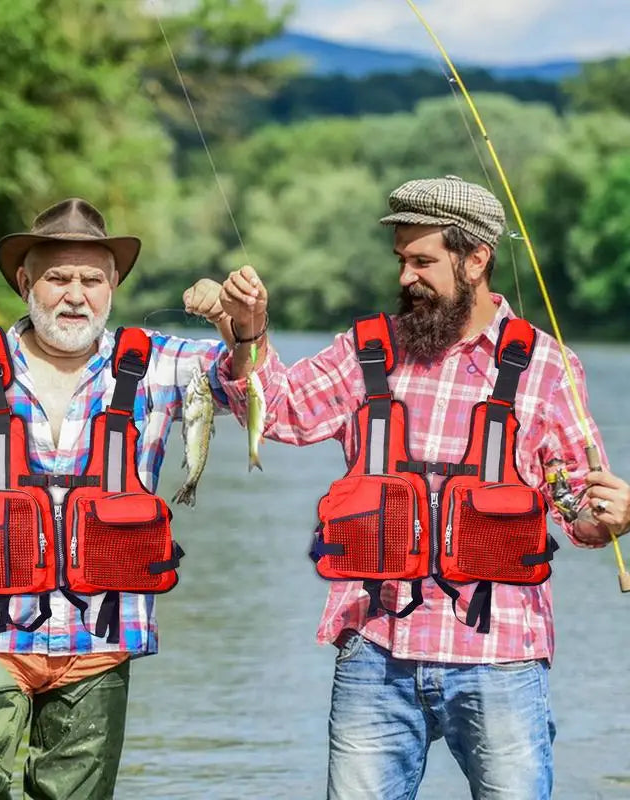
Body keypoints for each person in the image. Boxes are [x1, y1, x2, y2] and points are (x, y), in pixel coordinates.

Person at [206, 175, 630, 799]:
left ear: (476, 258)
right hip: (375, 652)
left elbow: (576, 512)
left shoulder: (548, 367)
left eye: (423, 260)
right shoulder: (364, 350)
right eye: (402, 260)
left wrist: (613, 516)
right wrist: (248, 334)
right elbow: (279, 410)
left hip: (502, 655)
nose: (406, 276)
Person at [0, 197, 233, 800]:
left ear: (114, 285)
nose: (76, 295)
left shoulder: (161, 364)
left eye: (92, 279)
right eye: (57, 278)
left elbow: (251, 385)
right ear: (26, 282)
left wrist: (238, 322)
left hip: (101, 639)